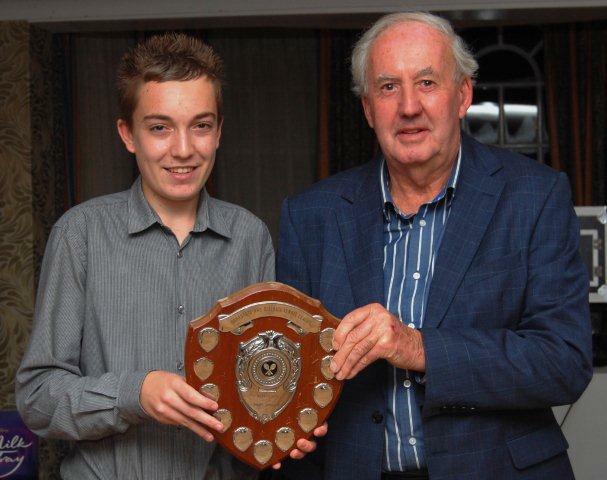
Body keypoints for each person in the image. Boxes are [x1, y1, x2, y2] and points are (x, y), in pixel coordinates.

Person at [276, 12, 592, 480]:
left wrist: (418, 347)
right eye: (388, 87)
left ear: (462, 95)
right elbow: (292, 371)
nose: (409, 106)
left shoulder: (535, 196)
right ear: (368, 108)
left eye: (426, 82)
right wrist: (288, 422)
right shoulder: (310, 216)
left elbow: (564, 362)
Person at [16, 33, 321, 479]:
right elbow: (37, 398)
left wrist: (286, 424)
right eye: (160, 127)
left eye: (201, 125)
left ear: (219, 132)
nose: (183, 149)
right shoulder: (80, 235)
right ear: (128, 135)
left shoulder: (250, 237)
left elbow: (264, 379)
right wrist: (134, 394)